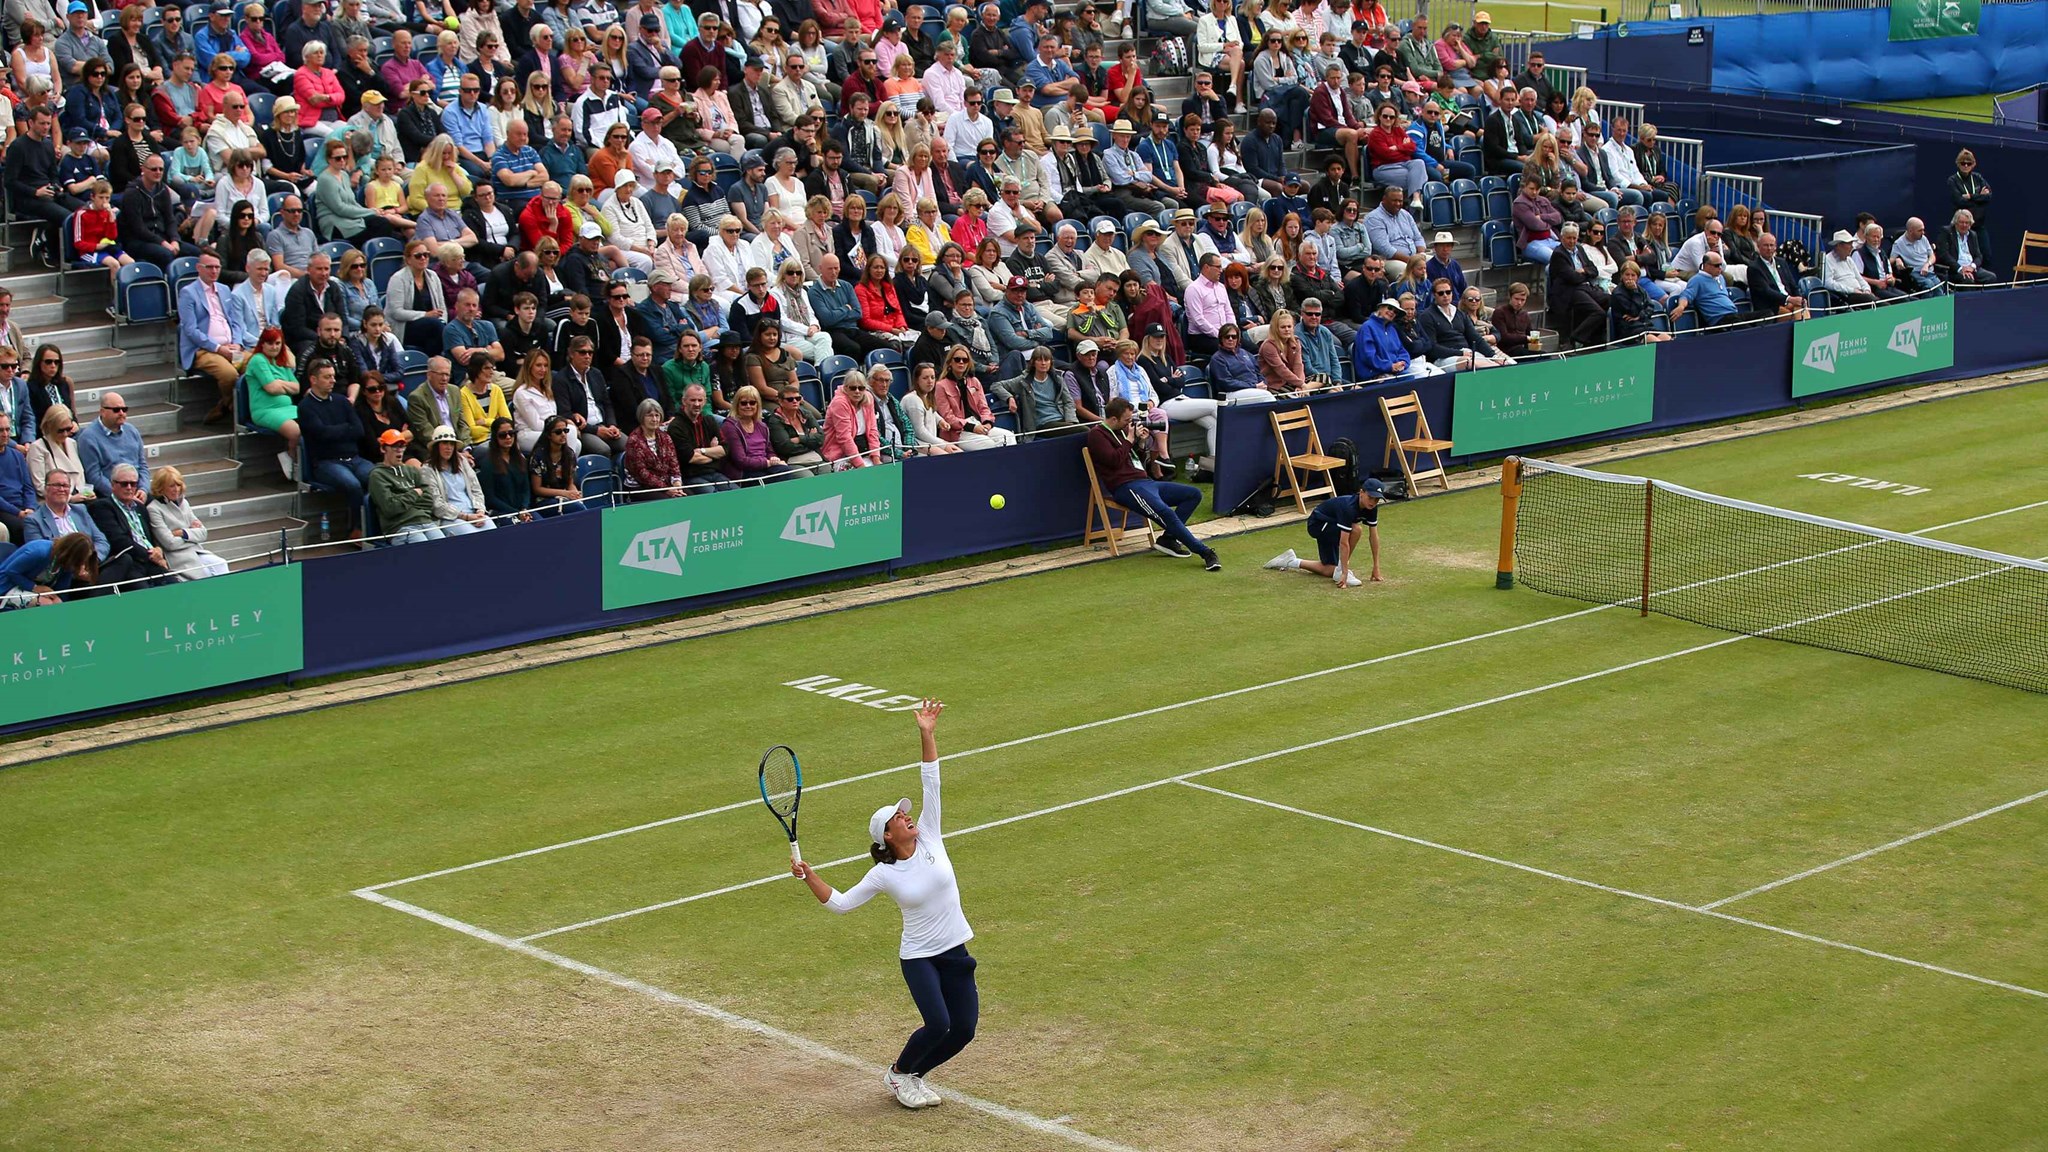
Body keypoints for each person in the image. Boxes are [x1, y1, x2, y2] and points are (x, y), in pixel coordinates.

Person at [790, 699, 979, 1111]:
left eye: (905, 813)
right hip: (919, 958)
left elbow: (931, 780)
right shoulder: (883, 874)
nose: (907, 816)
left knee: (964, 1029)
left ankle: (913, 1076)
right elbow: (841, 904)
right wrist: (810, 876)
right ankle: (898, 1072)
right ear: (887, 836)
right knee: (938, 1023)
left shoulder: (930, 835)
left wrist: (926, 733)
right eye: (898, 817)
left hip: (955, 951)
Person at [1086, 397, 1219, 568]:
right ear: (1113, 419)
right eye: (1126, 420)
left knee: (1193, 494)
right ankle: (1205, 552)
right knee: (1166, 514)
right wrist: (1129, 439)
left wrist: (1141, 443)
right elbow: (1114, 461)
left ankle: (1168, 539)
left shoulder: (1121, 431)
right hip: (1126, 487)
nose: (1129, 423)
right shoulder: (1097, 435)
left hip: (1145, 481)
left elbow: (1137, 461)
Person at [1265, 476, 1389, 586]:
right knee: (1356, 530)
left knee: (1329, 569)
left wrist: (1376, 567)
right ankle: (1341, 570)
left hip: (1332, 525)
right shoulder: (1348, 507)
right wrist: (1344, 572)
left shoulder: (1372, 508)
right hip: (1318, 524)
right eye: (1370, 497)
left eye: (1376, 499)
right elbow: (1344, 542)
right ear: (1361, 493)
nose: (1373, 502)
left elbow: (1374, 537)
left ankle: (1290, 561)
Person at [146, 465, 229, 579]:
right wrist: (192, 535)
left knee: (221, 563)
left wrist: (183, 533)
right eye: (171, 486)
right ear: (161, 488)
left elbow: (203, 533)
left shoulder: (184, 503)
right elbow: (170, 543)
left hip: (196, 552)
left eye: (178, 485)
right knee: (205, 574)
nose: (176, 489)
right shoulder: (154, 509)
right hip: (178, 558)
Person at [366, 428, 443, 543]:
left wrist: (402, 502)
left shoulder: (412, 471)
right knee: (425, 549)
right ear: (383, 449)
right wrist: (414, 493)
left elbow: (428, 500)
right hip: (400, 527)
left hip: (425, 521)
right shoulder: (377, 475)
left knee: (445, 546)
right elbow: (390, 508)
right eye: (394, 446)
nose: (399, 451)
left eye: (402, 446)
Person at [1936, 209, 1995, 287]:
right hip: (1955, 269)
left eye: (1967, 223)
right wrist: (1960, 269)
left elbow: (1978, 256)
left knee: (1991, 277)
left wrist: (1972, 267)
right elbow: (1944, 254)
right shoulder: (1946, 232)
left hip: (1971, 268)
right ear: (1955, 223)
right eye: (1961, 222)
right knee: (1968, 280)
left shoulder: (1973, 235)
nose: (1964, 225)